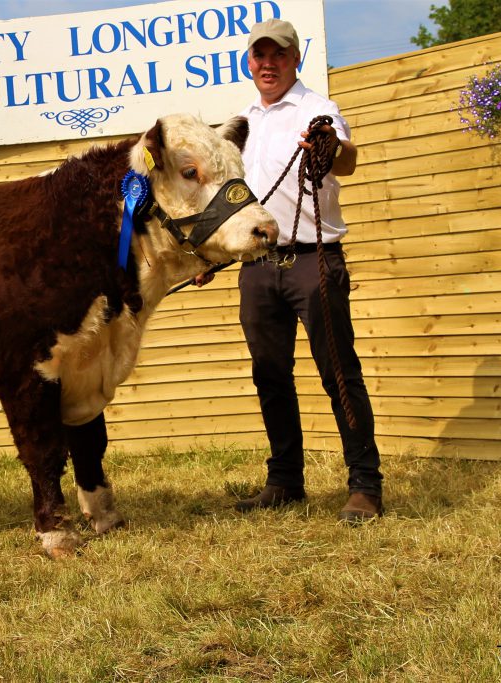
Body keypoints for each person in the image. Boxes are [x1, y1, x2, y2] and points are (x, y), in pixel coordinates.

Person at [199, 18, 383, 522]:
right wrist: (212, 256)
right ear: (249, 62)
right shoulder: (238, 123)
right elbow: (230, 200)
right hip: (257, 267)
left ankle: (365, 485)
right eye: (259, 55)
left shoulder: (318, 111)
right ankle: (284, 482)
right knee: (270, 375)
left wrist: (332, 147)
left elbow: (345, 159)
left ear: (294, 59)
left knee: (338, 373)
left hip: (312, 261)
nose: (267, 63)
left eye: (277, 55)